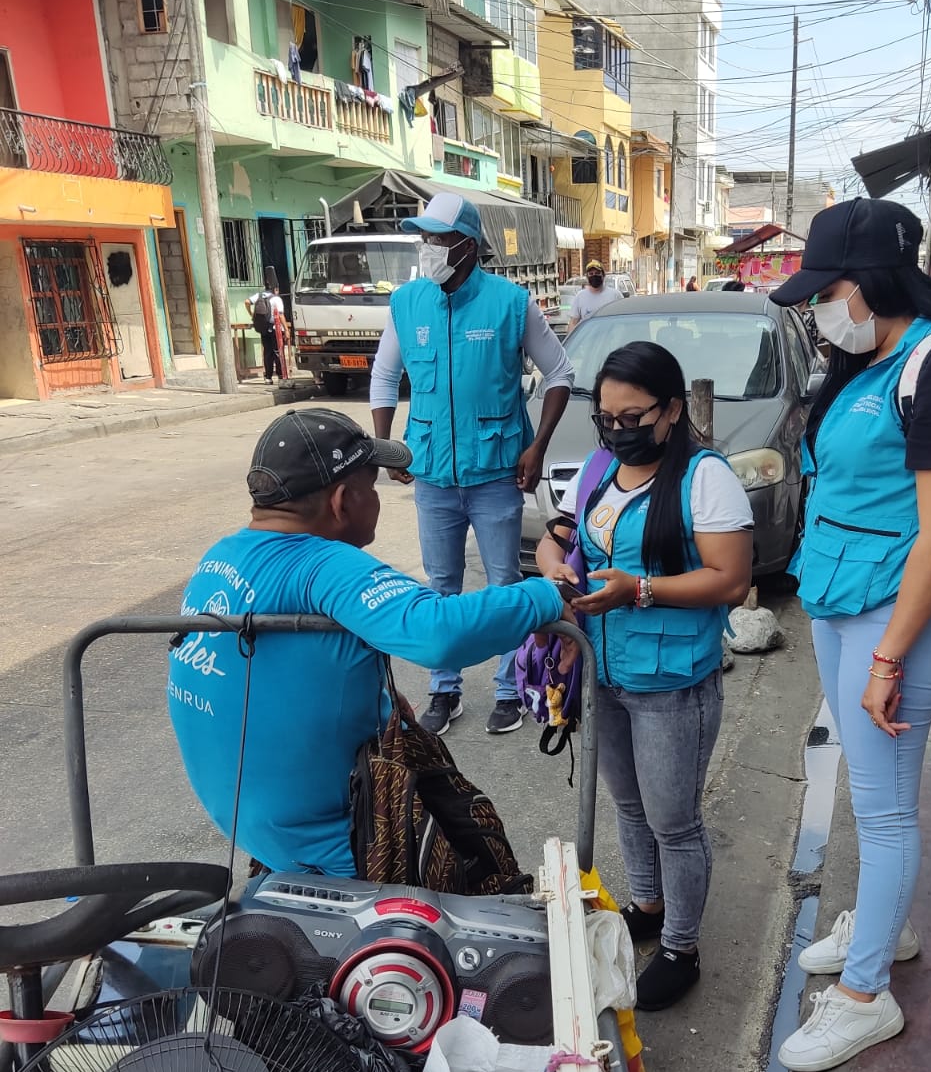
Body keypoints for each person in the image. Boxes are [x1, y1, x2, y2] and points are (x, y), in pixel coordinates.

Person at [770, 197, 931, 1071]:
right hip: (841, 596)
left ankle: (866, 996)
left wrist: (888, 657)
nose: (818, 309)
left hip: (900, 614)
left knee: (885, 804)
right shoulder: (862, 362)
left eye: (826, 291)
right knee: (872, 787)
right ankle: (883, 924)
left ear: (872, 281)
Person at [169, 409, 567, 877]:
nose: (376, 499)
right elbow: (437, 633)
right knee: (480, 869)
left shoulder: (219, 557)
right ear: (342, 501)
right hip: (337, 845)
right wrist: (545, 596)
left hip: (252, 825)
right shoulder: (323, 564)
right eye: (372, 487)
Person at [535, 341, 753, 1011]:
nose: (618, 429)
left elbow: (731, 579)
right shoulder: (600, 469)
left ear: (673, 410)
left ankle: (682, 948)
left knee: (673, 821)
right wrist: (553, 565)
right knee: (629, 807)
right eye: (606, 417)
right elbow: (559, 534)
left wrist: (639, 590)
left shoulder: (704, 478)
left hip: (671, 682)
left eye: (634, 417)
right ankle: (648, 905)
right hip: (603, 671)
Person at [369, 192, 575, 738]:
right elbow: (385, 376)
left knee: (503, 583)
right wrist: (383, 444)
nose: (428, 247)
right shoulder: (407, 302)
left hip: (496, 471)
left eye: (438, 238)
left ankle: (508, 690)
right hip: (433, 473)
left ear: (466, 244)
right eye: (424, 238)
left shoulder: (511, 303)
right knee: (440, 585)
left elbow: (560, 373)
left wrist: (538, 446)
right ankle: (445, 688)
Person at [246, 273, 286, 386]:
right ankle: (280, 376)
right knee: (277, 352)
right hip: (274, 328)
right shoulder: (276, 299)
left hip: (263, 328)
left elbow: (247, 302)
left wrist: (251, 314)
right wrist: (287, 330)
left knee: (267, 352)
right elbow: (281, 315)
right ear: (276, 289)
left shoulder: (259, 295)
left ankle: (268, 377)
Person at [567, 261, 619, 333]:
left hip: (610, 338)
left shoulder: (615, 295)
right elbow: (573, 322)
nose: (594, 276)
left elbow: (623, 321)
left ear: (603, 275)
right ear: (587, 277)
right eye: (591, 274)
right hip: (588, 339)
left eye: (597, 273)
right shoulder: (580, 296)